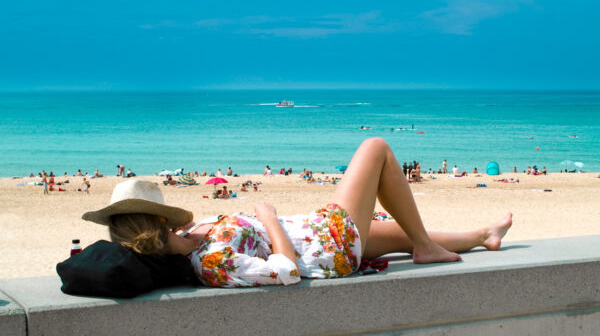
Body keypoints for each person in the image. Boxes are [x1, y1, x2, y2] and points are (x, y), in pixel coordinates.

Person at [83, 139, 513, 289]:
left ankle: (482, 235)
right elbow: (285, 272)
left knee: (395, 232)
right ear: (160, 223)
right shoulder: (210, 262)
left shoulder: (195, 238)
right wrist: (269, 218)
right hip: (327, 244)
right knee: (376, 148)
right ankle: (425, 248)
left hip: (317, 236)